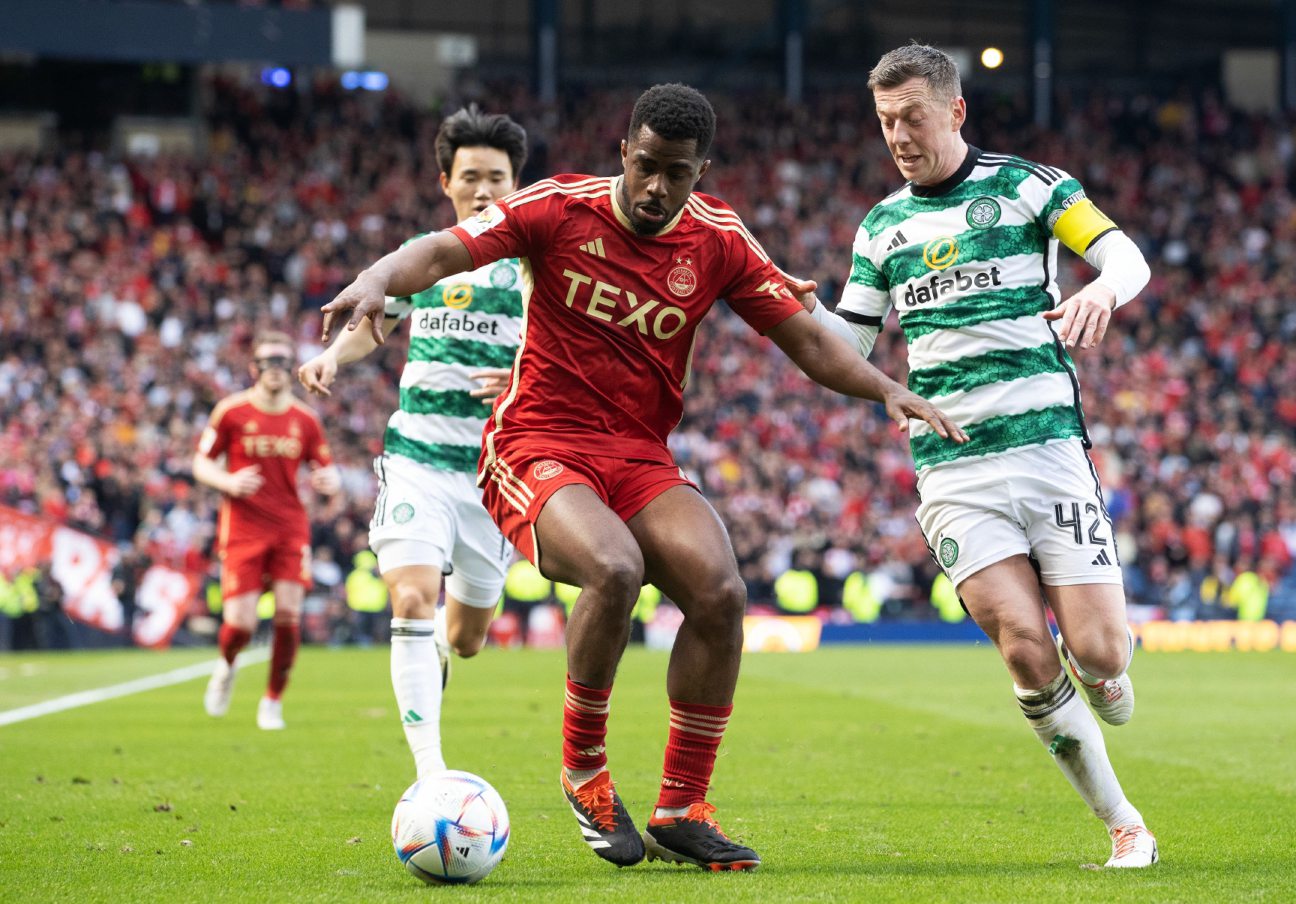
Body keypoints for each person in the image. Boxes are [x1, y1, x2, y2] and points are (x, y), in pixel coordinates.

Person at [319, 83, 965, 872]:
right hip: (535, 442)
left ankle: (682, 805)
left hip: (638, 454)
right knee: (613, 567)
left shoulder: (718, 238)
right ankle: (584, 770)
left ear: (702, 170)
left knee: (721, 591)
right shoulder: (560, 207)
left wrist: (887, 387)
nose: (659, 188)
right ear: (625, 152)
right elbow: (443, 251)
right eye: (648, 166)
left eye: (679, 173)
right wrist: (380, 277)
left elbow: (806, 339)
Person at [796, 44, 1157, 868]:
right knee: (1026, 650)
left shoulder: (1029, 186)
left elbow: (1123, 256)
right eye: (886, 121)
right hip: (953, 470)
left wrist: (1100, 287)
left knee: (1097, 650)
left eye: (913, 116)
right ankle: (1123, 822)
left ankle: (1104, 671)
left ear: (955, 111)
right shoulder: (882, 227)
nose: (898, 134)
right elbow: (846, 349)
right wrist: (795, 312)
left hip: (1047, 453)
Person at [298, 108, 528, 778]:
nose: (485, 190)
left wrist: (520, 376)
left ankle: (442, 655)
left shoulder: (535, 265)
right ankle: (432, 777)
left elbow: (574, 351)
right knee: (409, 600)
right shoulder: (429, 254)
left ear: (518, 184)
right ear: (445, 182)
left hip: (493, 476)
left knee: (466, 638)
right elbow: (377, 321)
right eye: (472, 178)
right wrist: (335, 358)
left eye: (498, 178)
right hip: (418, 460)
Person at [193, 331, 340, 730]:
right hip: (242, 527)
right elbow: (201, 463)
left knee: (289, 616)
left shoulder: (306, 419)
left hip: (290, 527)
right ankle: (226, 665)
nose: (274, 369)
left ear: (291, 369)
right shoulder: (231, 411)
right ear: (254, 368)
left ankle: (272, 700)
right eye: (267, 361)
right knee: (239, 623)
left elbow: (325, 470)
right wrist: (227, 482)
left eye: (282, 361)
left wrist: (331, 481)